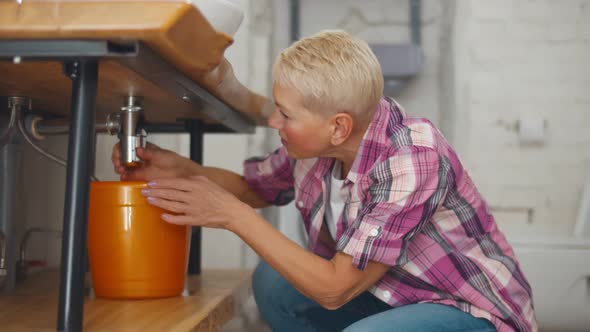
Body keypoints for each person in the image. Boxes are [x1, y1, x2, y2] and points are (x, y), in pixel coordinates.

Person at [112, 30, 536, 332]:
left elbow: (334, 290)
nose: (275, 121)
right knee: (274, 285)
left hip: (469, 312)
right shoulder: (317, 150)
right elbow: (252, 187)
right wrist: (180, 168)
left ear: (338, 126)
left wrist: (232, 217)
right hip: (391, 294)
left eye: (286, 114)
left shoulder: (413, 159)